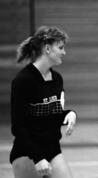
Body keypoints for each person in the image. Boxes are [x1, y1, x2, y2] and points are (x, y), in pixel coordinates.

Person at [10, 26, 77, 178]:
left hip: (52, 149)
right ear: (47, 48)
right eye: (60, 48)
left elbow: (53, 115)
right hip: (27, 152)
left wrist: (70, 114)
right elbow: (18, 127)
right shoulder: (23, 80)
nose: (64, 52)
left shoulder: (57, 79)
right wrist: (38, 158)